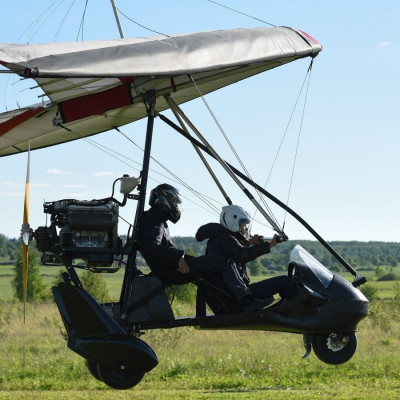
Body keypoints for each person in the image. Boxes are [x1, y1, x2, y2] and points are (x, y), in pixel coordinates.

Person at [138, 184, 272, 312]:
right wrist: (179, 256)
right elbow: (152, 246)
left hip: (169, 267)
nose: (177, 207)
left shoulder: (156, 219)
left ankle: (234, 301)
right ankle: (247, 301)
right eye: (175, 204)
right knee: (224, 259)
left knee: (218, 262)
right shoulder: (154, 219)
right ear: (164, 201)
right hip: (171, 270)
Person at [195, 204, 299, 313]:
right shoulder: (224, 238)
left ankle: (291, 312)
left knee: (284, 282)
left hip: (232, 296)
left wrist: (249, 242)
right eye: (244, 224)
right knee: (285, 282)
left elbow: (233, 249)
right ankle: (300, 314)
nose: (246, 228)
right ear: (233, 221)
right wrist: (269, 245)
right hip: (240, 299)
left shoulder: (219, 239)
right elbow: (241, 255)